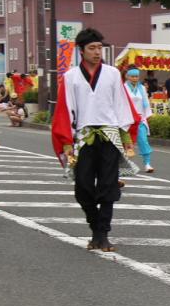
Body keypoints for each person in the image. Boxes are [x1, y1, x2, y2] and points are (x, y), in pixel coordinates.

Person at [51, 28, 140, 252]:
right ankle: (95, 227)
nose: (97, 52)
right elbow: (65, 110)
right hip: (83, 135)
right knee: (82, 186)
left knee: (108, 185)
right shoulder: (70, 76)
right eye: (92, 48)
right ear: (81, 51)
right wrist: (67, 142)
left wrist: (126, 136)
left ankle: (102, 234)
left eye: (100, 48)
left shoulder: (112, 73)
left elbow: (122, 105)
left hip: (109, 134)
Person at [124, 66, 155, 172]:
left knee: (143, 141)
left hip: (140, 119)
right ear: (127, 76)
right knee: (126, 143)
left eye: (136, 76)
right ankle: (124, 164)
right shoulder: (123, 88)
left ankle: (147, 164)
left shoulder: (142, 88)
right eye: (132, 76)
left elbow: (145, 102)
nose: (134, 78)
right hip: (126, 119)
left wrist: (148, 115)